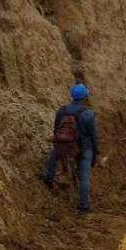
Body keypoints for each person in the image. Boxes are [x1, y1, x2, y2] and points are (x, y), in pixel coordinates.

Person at [40, 82, 99, 212]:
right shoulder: (88, 113)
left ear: (72, 96)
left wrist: (61, 142)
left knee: (54, 155)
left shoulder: (62, 110)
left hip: (65, 145)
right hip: (84, 148)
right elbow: (94, 135)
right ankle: (84, 206)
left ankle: (48, 178)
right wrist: (96, 149)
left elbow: (56, 130)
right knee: (84, 176)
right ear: (84, 97)